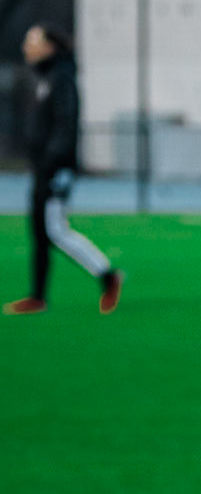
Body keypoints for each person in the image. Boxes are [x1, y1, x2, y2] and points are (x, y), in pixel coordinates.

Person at [3, 24, 122, 317]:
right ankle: (37, 297)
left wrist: (53, 163)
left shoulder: (62, 78)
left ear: (50, 46)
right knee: (40, 232)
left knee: (54, 230)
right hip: (43, 167)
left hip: (54, 168)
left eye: (32, 41)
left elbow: (66, 124)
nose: (26, 47)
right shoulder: (45, 78)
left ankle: (107, 275)